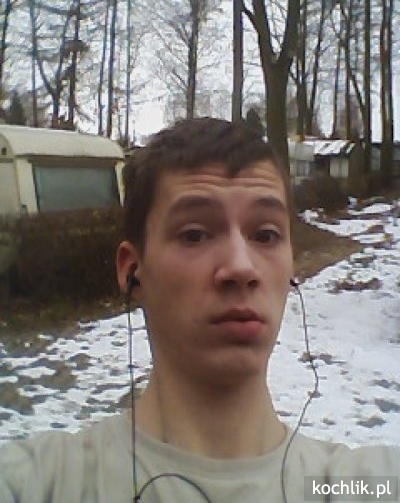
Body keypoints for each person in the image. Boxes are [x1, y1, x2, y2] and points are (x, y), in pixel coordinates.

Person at [0, 118, 398, 503]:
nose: (241, 267)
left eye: (265, 235)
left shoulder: (360, 485)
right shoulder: (43, 483)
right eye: (194, 235)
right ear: (133, 270)